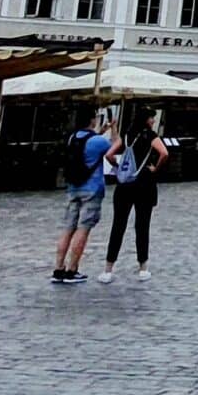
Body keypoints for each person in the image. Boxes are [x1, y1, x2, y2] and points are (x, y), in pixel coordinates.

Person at [99, 110, 169, 284]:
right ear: (146, 120)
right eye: (152, 117)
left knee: (118, 225)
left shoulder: (128, 135)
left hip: (125, 184)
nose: (153, 120)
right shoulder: (150, 135)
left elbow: (109, 154)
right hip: (144, 184)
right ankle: (143, 267)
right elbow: (164, 153)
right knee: (142, 225)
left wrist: (119, 167)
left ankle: (108, 269)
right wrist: (155, 168)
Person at [52, 110, 114, 286]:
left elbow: (88, 146)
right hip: (92, 188)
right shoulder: (98, 141)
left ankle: (58, 268)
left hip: (73, 187)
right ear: (92, 120)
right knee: (83, 228)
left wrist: (101, 132)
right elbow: (116, 147)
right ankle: (72, 270)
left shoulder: (73, 138)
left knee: (68, 228)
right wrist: (113, 129)